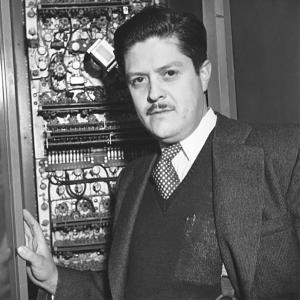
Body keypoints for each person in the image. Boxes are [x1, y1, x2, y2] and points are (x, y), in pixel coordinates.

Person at [17, 5, 300, 300]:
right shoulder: (132, 180)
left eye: (169, 73)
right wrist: (53, 278)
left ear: (203, 75)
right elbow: (123, 290)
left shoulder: (282, 156)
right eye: (139, 79)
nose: (154, 93)